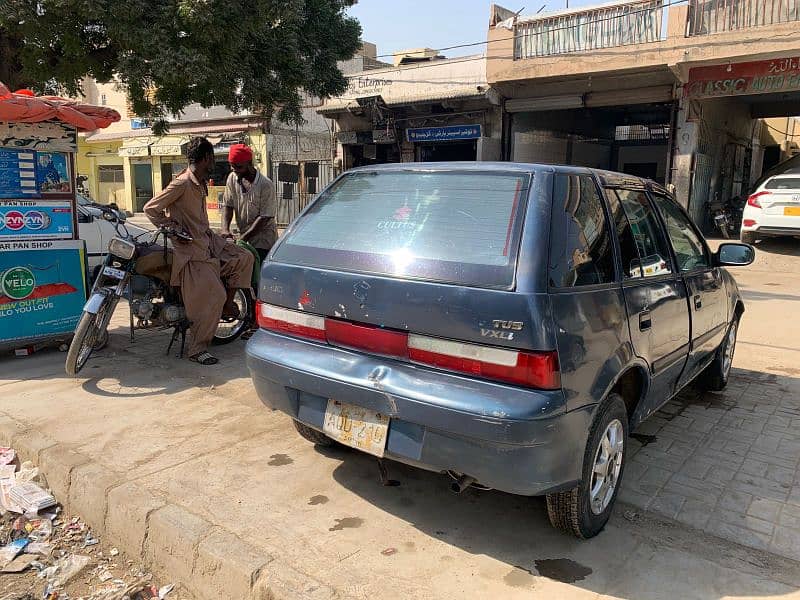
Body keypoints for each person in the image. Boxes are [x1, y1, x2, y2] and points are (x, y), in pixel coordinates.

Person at [144, 137, 254, 366]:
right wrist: (173, 229)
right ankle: (197, 349)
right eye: (212, 158)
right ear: (206, 158)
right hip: (192, 251)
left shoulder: (200, 182)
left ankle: (228, 303)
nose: (213, 162)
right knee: (215, 295)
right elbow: (151, 208)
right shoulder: (182, 183)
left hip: (209, 241)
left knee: (245, 257)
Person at [221, 143, 278, 264]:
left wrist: (243, 239)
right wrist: (225, 229)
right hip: (244, 237)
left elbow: (265, 217)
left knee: (257, 275)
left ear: (249, 164)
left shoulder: (265, 185)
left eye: (238, 166)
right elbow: (228, 205)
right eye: (232, 167)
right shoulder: (232, 178)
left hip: (263, 242)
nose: (235, 170)